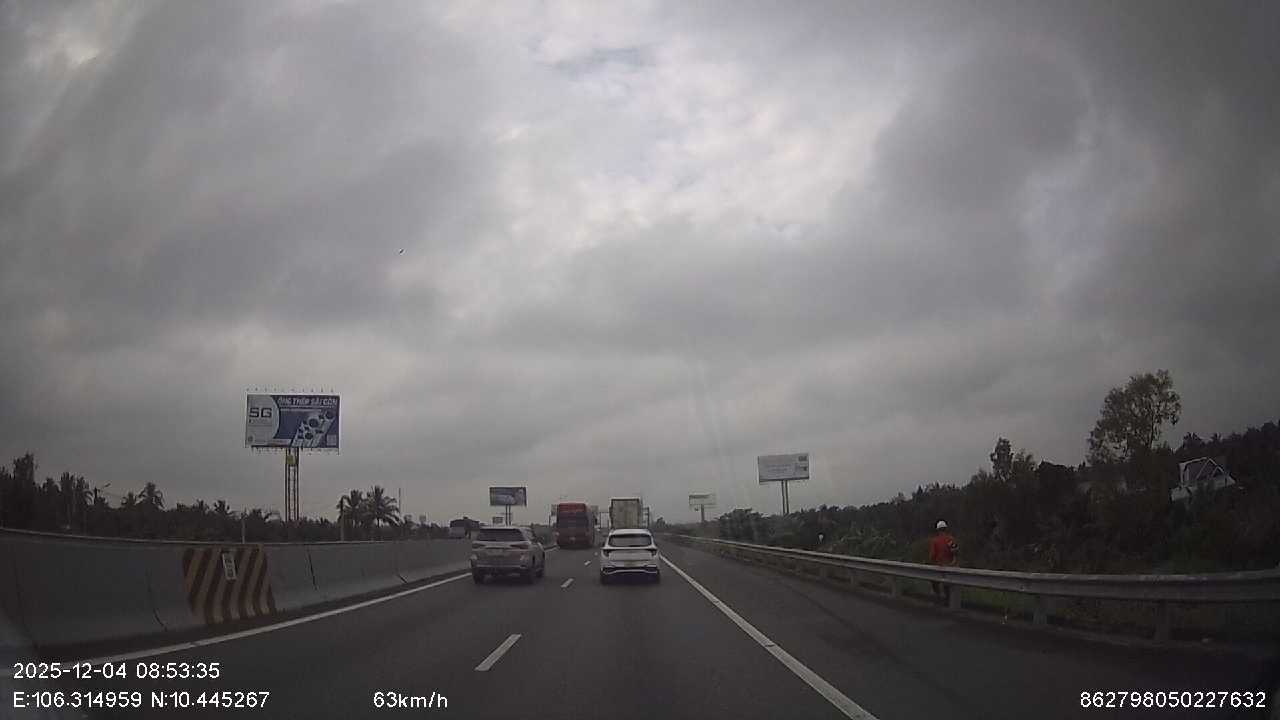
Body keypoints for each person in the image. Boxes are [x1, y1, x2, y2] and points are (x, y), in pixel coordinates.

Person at [929, 520, 959, 604]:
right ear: (946, 529)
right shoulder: (950, 539)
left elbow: (932, 555)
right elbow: (955, 551)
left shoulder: (935, 541)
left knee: (934, 581)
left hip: (939, 566)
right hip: (950, 565)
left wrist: (932, 561)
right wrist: (953, 561)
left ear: (938, 530)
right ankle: (948, 600)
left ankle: (938, 597)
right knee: (948, 585)